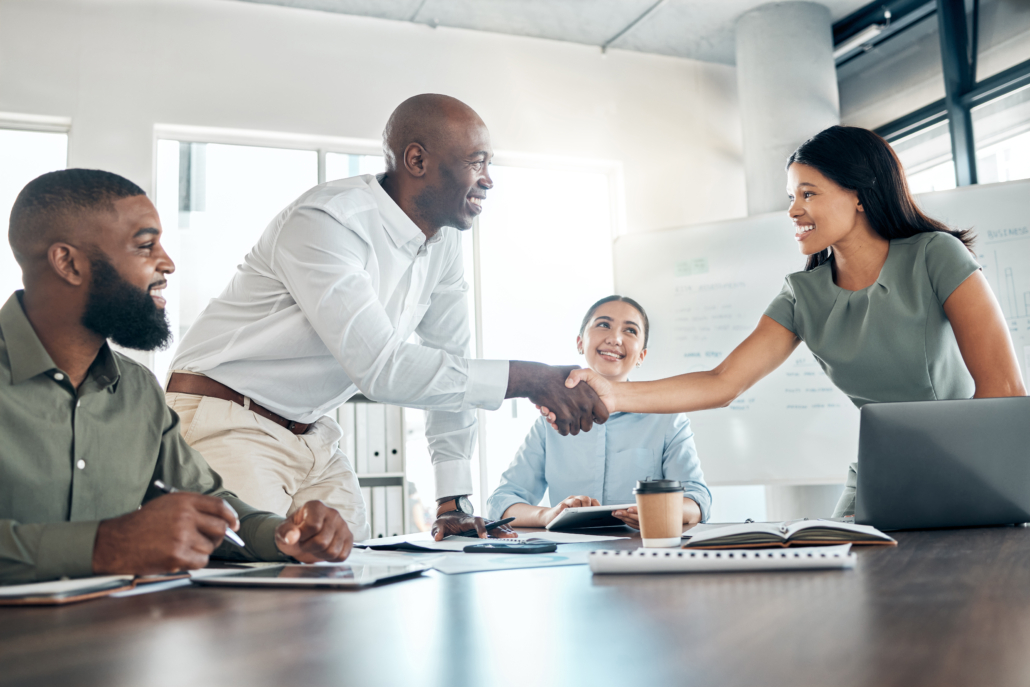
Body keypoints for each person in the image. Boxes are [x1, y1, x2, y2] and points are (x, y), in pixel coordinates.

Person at [166, 93, 607, 543]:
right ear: (416, 159)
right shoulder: (326, 222)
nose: (489, 180)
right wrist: (531, 379)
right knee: (250, 591)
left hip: (311, 435)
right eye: (477, 163)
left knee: (351, 573)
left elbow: (447, 358)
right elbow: (383, 368)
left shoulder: (443, 244)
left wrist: (452, 500)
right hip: (229, 419)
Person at [548, 126, 1027, 518]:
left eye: (808, 193)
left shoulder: (933, 256)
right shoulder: (803, 294)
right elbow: (723, 382)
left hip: (966, 475)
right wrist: (613, 393)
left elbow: (1002, 387)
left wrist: (972, 483)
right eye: (791, 195)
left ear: (858, 195)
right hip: (884, 483)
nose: (794, 210)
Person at [0, 169, 352, 584]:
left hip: (111, 636)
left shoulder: (137, 390)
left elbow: (209, 501)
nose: (166, 262)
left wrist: (283, 534)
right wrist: (104, 546)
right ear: (68, 263)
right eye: (145, 246)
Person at [487, 296, 711, 529]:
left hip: (641, 553)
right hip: (568, 557)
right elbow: (501, 502)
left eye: (631, 330)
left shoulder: (668, 419)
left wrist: (657, 511)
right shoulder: (551, 421)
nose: (615, 338)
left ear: (641, 356)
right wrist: (549, 515)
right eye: (603, 325)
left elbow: (698, 502)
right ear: (580, 342)